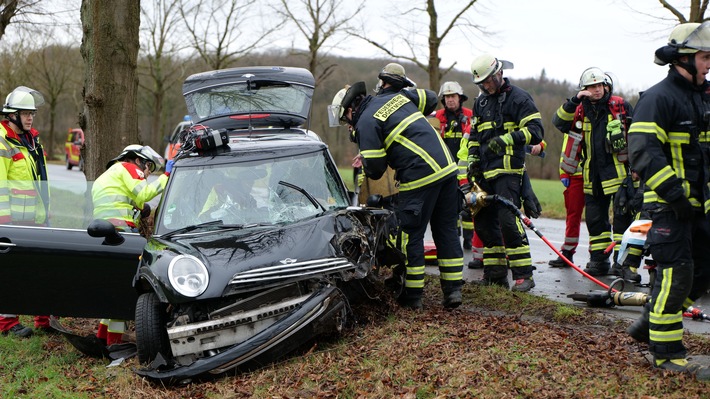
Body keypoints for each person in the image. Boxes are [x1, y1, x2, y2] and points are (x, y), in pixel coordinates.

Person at [329, 64, 464, 310]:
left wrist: (366, 152)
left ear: (350, 110)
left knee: (410, 235)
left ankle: (413, 296)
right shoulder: (398, 97)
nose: (348, 125)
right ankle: (453, 292)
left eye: (345, 120)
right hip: (447, 170)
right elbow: (431, 99)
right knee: (446, 231)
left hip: (420, 177)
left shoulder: (366, 122)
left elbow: (376, 169)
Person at [626, 22, 710, 379]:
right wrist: (676, 196)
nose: (709, 65)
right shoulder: (658, 98)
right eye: (706, 58)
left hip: (699, 207)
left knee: (703, 270)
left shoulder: (704, 96)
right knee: (676, 276)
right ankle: (667, 355)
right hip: (667, 207)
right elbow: (644, 153)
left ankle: (652, 321)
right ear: (685, 59)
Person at [466, 54, 544, 292]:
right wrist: (472, 162)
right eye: (481, 84)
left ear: (499, 73)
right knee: (483, 223)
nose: (485, 86)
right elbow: (475, 137)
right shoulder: (481, 103)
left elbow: (536, 132)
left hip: (509, 172)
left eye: (488, 81)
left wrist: (507, 140)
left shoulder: (519, 98)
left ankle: (523, 276)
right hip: (484, 174)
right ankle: (495, 275)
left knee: (508, 221)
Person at [551, 67, 633, 277]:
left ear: (606, 86)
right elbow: (558, 122)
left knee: (623, 221)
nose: (596, 90)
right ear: (584, 90)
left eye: (599, 85)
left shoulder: (620, 106)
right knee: (596, 222)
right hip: (591, 176)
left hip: (618, 175)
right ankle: (599, 261)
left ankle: (623, 265)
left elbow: (636, 135)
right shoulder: (579, 109)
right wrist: (574, 100)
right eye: (591, 87)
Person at [92, 144, 172, 346]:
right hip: (121, 233)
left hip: (106, 233)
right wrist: (167, 176)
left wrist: (140, 208)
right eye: (148, 168)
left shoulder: (108, 174)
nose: (146, 174)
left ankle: (102, 337)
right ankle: (115, 343)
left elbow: (133, 199)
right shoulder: (128, 167)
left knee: (112, 286)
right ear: (138, 160)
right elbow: (144, 194)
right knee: (123, 288)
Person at [0, 86, 52, 338]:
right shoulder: (1, 140)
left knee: (40, 267)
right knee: (12, 272)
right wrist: (4, 222)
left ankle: (44, 318)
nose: (30, 117)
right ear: (11, 115)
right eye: (24, 113)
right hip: (12, 221)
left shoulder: (32, 140)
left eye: (32, 113)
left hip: (36, 217)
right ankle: (8, 325)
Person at [434, 81, 477, 252]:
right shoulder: (437, 117)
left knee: (468, 207)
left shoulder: (470, 115)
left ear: (460, 98)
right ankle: (454, 237)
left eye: (453, 96)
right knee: (450, 206)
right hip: (445, 170)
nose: (450, 100)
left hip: (466, 169)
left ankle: (469, 240)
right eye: (447, 97)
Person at [548, 134, 585, 267]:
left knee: (596, 218)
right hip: (575, 175)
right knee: (573, 215)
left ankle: (598, 257)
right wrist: (563, 171)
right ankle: (568, 252)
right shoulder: (571, 120)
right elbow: (566, 148)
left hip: (593, 175)